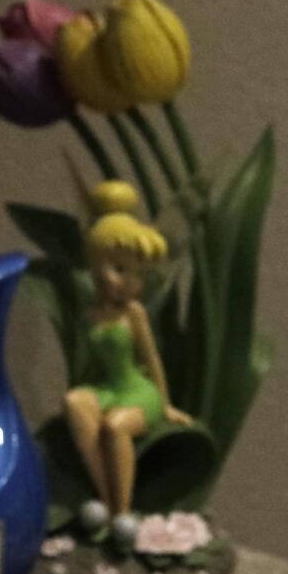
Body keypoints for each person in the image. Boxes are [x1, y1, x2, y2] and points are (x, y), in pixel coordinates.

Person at [64, 181, 192, 522]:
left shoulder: (134, 314)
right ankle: (105, 496)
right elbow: (90, 368)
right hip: (109, 389)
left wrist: (165, 405)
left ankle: (121, 511)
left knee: (115, 427)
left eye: (135, 274)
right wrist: (88, 392)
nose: (126, 281)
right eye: (118, 268)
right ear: (95, 263)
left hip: (137, 392)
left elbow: (151, 359)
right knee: (75, 402)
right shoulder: (91, 315)